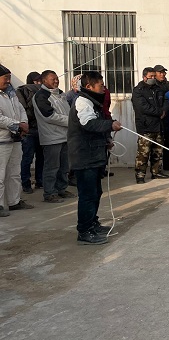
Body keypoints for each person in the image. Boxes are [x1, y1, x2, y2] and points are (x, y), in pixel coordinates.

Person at [68, 71, 123, 245]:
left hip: (94, 154)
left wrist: (106, 140)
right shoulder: (82, 101)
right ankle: (84, 231)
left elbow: (95, 125)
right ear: (89, 86)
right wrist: (110, 125)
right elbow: (89, 123)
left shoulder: (93, 101)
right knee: (88, 194)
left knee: (95, 192)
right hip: (84, 156)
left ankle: (92, 223)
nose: (103, 88)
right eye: (100, 85)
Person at [33, 70, 72, 203]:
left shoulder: (60, 94)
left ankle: (61, 189)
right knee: (52, 167)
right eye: (52, 79)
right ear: (44, 81)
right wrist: (71, 121)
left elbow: (67, 111)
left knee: (64, 166)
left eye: (56, 78)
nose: (56, 81)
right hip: (52, 138)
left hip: (65, 135)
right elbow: (49, 116)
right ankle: (50, 193)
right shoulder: (41, 96)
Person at [0, 64, 33, 217]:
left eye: (9, 78)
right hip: (2, 141)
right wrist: (17, 125)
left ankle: (14, 201)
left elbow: (20, 110)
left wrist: (23, 123)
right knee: (0, 174)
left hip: (15, 139)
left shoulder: (12, 94)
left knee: (14, 173)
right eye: (5, 78)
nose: (8, 81)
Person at [132, 67, 169, 184]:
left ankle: (156, 172)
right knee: (143, 153)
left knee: (158, 152)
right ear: (144, 77)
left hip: (158, 126)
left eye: (154, 76)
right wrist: (159, 112)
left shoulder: (158, 89)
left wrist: (164, 110)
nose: (153, 78)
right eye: (151, 76)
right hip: (145, 127)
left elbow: (166, 101)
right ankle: (140, 175)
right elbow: (142, 107)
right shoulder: (138, 90)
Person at [16, 72, 44, 194]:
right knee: (28, 158)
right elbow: (23, 110)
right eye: (36, 81)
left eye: (40, 81)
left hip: (39, 129)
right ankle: (26, 183)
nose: (38, 83)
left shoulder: (41, 92)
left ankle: (38, 181)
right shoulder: (23, 91)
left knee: (39, 157)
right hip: (30, 130)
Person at [153, 65, 169, 170]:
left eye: (163, 72)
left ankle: (167, 165)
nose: (162, 74)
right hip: (155, 118)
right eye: (160, 72)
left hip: (168, 117)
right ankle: (156, 167)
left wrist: (164, 111)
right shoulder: (153, 85)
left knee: (168, 141)